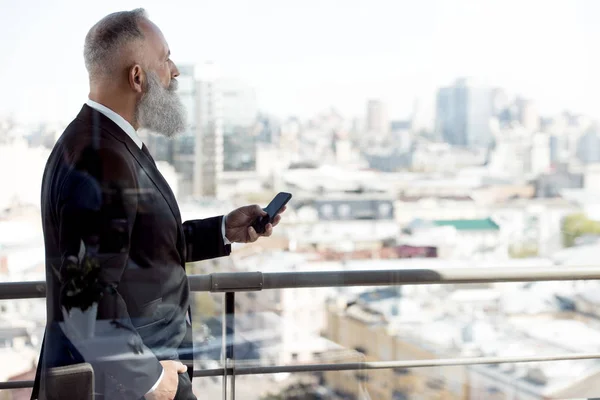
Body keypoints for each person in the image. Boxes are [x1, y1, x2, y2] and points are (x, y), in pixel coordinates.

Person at [32, 8, 284, 400]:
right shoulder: (100, 158)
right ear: (137, 77)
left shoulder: (105, 142)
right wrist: (148, 377)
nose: (175, 71)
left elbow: (135, 250)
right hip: (129, 382)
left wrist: (222, 230)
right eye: (165, 58)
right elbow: (85, 296)